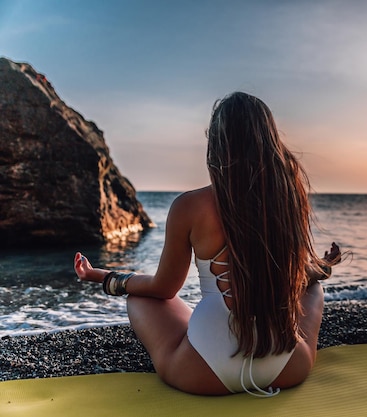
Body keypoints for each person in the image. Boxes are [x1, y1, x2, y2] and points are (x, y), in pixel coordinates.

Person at [74, 92, 341, 396]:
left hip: (203, 373)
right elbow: (293, 272)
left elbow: (163, 289)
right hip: (287, 368)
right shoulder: (288, 197)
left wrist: (106, 278)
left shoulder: (189, 206)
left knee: (138, 297)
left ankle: (205, 329)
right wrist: (319, 268)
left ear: (216, 143)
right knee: (313, 288)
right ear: (270, 140)